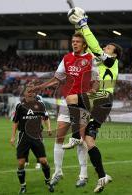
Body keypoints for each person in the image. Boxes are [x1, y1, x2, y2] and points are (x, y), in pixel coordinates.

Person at [64, 7, 123, 193]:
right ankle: (103, 176)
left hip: (102, 98)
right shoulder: (102, 59)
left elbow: (95, 48)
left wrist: (84, 24)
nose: (105, 49)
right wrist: (80, 25)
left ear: (114, 54)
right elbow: (89, 44)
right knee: (89, 140)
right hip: (99, 99)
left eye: (108, 48)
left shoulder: (111, 61)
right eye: (106, 47)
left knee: (71, 98)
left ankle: (74, 137)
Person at [30, 32, 99, 188]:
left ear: (84, 44)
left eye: (77, 42)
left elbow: (96, 80)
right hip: (66, 102)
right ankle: (58, 172)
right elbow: (57, 78)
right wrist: (40, 87)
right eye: (73, 41)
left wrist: (91, 92)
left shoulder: (90, 59)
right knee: (59, 136)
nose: (74, 44)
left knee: (79, 139)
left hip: (81, 102)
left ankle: (83, 175)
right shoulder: (67, 58)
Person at [10, 82, 54, 194]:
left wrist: (48, 128)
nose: (30, 93)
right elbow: (15, 122)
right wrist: (13, 137)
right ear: (25, 93)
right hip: (23, 136)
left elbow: (46, 117)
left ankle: (48, 181)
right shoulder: (20, 106)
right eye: (28, 91)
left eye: (32, 91)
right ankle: (23, 186)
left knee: (43, 161)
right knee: (21, 163)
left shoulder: (40, 105)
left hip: (36, 135)